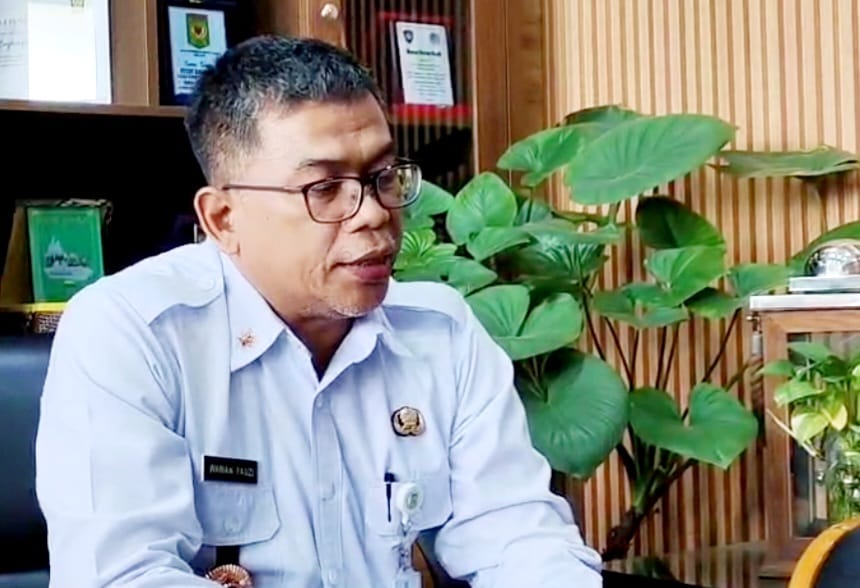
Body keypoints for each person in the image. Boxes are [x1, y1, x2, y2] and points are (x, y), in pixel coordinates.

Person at [34, 34, 603, 587]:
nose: (373, 214)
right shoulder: (134, 333)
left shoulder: (440, 332)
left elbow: (518, 534)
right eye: (325, 187)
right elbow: (124, 575)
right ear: (224, 219)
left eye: (383, 177)